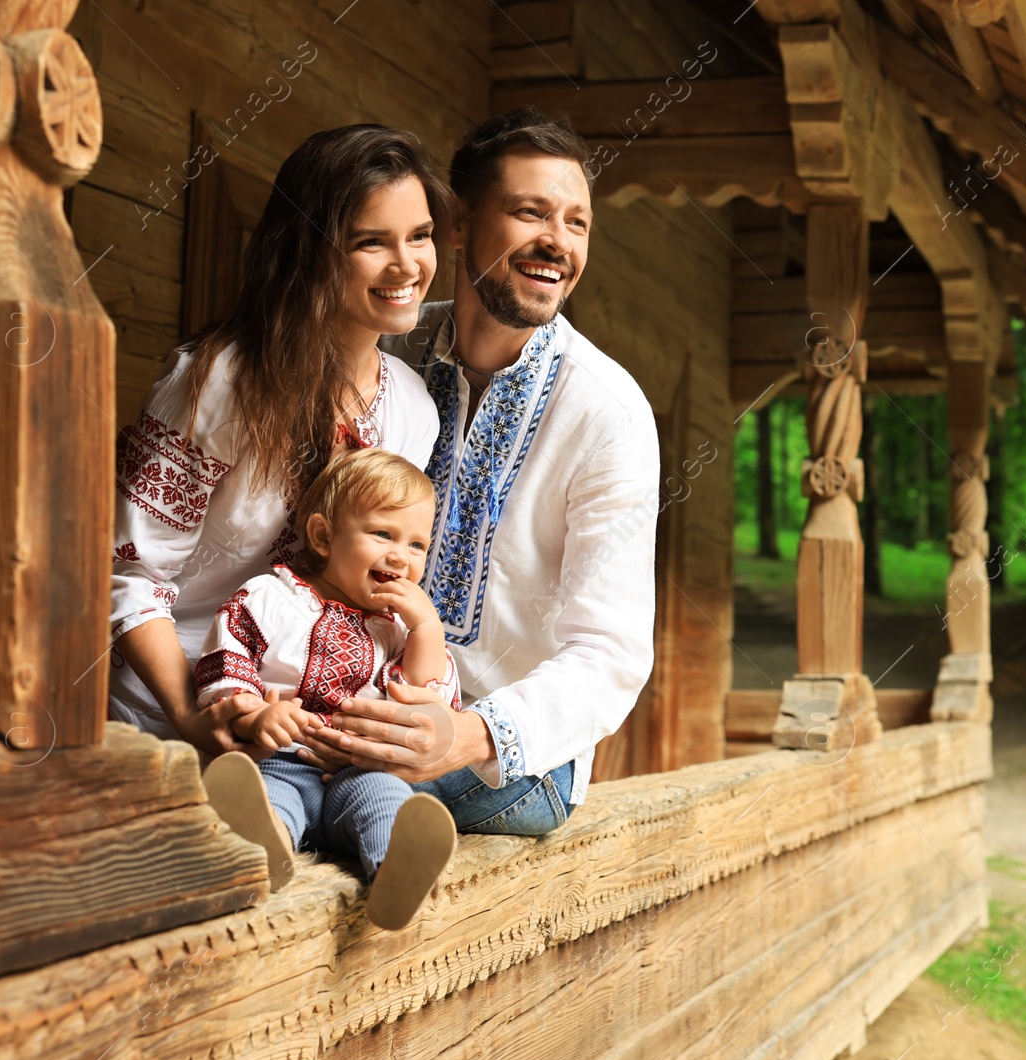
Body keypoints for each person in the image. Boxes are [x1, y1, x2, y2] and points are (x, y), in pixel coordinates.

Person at [296, 107, 660, 836]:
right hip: (351, 698)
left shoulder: (607, 411)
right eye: (531, 212)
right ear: (457, 223)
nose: (558, 241)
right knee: (263, 748)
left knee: (326, 789)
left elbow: (612, 652)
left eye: (577, 223)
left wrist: (462, 736)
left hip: (512, 757)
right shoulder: (389, 353)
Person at [109, 125, 450, 762]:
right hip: (175, 716)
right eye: (370, 242)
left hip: (318, 735)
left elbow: (375, 586)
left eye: (421, 235)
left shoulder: (414, 412)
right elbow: (131, 574)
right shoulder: (216, 382)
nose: (407, 266)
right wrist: (193, 715)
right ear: (310, 252)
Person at [198, 449, 457, 928]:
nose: (401, 555)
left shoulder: (398, 632)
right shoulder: (272, 598)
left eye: (418, 545)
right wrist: (257, 715)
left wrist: (428, 630)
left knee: (386, 801)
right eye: (383, 534)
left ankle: (396, 875)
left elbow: (425, 701)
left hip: (360, 773)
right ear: (323, 536)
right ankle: (259, 855)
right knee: (267, 799)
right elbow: (227, 666)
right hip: (280, 761)